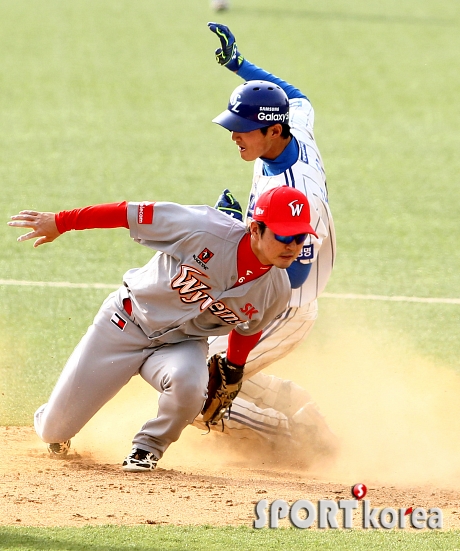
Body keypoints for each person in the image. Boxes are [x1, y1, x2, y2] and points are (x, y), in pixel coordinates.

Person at [8, 187, 318, 471]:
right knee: (54, 431)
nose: (291, 246)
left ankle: (147, 448)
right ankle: (54, 417)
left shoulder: (276, 290)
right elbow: (127, 213)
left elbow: (247, 331)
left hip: (181, 346)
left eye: (299, 238)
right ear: (255, 229)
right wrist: (61, 222)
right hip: (124, 324)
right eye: (282, 236)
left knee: (190, 387)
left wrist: (234, 370)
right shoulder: (202, 227)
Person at [192, 23, 337, 461]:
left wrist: (241, 229)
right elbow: (298, 98)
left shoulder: (300, 194)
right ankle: (299, 409)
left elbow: (291, 269)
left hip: (286, 306)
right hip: (264, 290)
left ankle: (294, 437)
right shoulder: (291, 133)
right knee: (191, 357)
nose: (234, 135)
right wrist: (241, 66)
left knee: (201, 384)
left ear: (274, 132)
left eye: (243, 128)